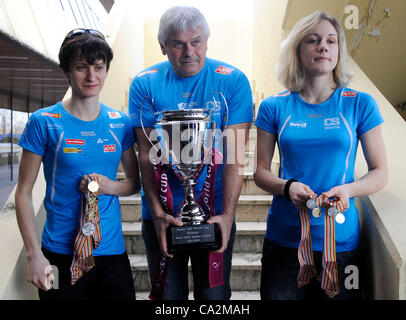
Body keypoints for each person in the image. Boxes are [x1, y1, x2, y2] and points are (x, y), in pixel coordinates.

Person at [254, 10, 388, 300]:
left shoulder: (360, 104)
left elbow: (380, 172)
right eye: (313, 40)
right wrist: (287, 187)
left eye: (331, 40)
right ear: (298, 50)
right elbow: (261, 173)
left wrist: (348, 190)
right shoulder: (273, 107)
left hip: (341, 245)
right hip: (285, 242)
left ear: (339, 50)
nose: (323, 47)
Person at [129, 6, 253, 300]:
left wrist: (227, 216)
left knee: (213, 299)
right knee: (169, 299)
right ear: (163, 46)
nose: (189, 51)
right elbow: (146, 156)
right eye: (178, 43)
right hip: (163, 215)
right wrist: (158, 214)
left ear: (207, 41)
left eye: (196, 41)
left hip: (214, 213)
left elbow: (234, 157)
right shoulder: (144, 84)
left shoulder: (233, 81)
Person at [15, 28, 140, 300]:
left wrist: (108, 187)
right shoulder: (44, 122)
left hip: (111, 253)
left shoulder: (121, 123)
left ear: (106, 69)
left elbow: (134, 183)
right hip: (59, 252)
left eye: (98, 67)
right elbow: (23, 193)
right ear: (66, 71)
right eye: (81, 67)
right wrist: (34, 256)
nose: (91, 76)